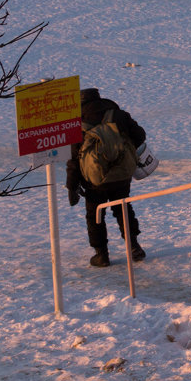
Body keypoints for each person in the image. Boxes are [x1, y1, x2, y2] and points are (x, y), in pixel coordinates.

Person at [66, 88, 146, 267]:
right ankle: (133, 246)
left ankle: (101, 255)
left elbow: (74, 159)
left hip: (94, 181)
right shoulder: (118, 115)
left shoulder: (78, 123)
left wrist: (71, 186)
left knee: (95, 214)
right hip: (121, 174)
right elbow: (140, 136)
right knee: (122, 207)